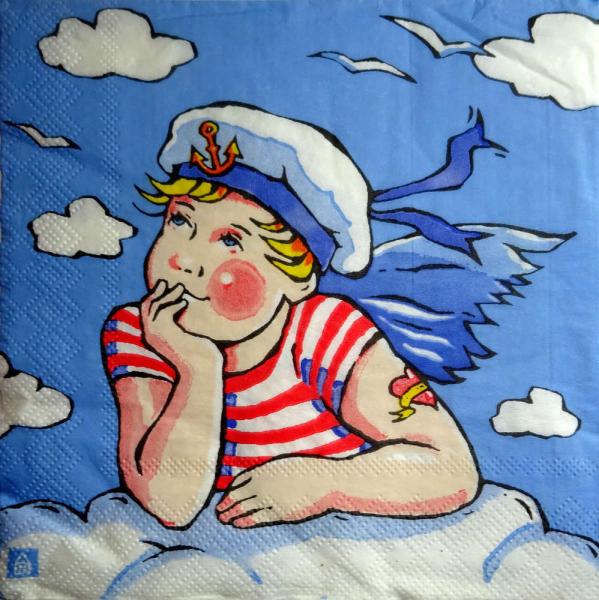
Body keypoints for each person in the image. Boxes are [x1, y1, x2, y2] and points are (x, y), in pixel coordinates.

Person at [101, 103, 490, 528]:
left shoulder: (324, 331)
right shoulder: (141, 331)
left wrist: (325, 483)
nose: (186, 260)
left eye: (230, 241)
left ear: (298, 278)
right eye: (180, 221)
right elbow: (170, 505)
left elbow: (451, 470)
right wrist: (198, 368)